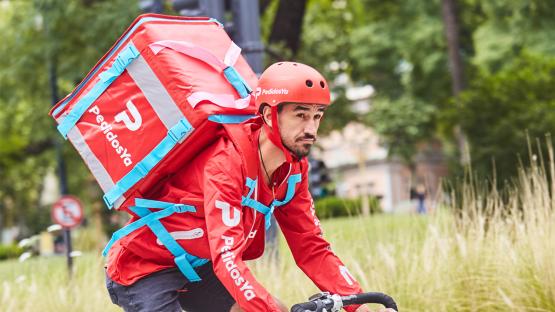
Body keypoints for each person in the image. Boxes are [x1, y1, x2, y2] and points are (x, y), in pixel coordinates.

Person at [104, 62, 394, 312]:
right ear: (269, 115)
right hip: (144, 268)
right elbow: (227, 257)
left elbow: (311, 249)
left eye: (317, 116)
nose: (311, 128)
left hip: (200, 266)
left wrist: (359, 304)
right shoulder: (227, 163)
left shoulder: (293, 170)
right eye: (300, 115)